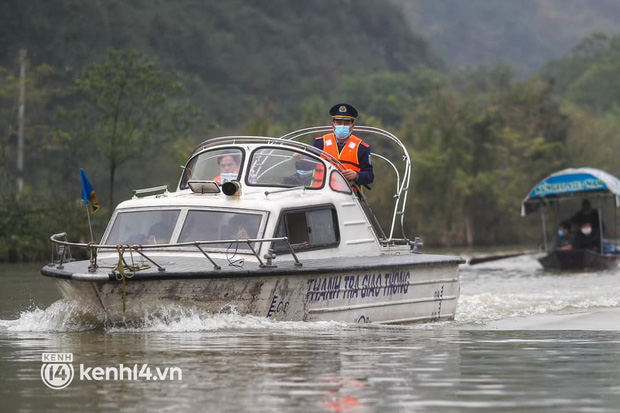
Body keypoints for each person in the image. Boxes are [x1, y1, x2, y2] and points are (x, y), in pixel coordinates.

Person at [313, 103, 374, 188]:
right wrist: (299, 160)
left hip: (349, 196)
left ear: (352, 127)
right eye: (339, 123)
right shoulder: (320, 143)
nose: (342, 126)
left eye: (346, 123)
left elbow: (369, 175)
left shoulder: (361, 148)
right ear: (333, 126)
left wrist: (356, 175)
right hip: (321, 193)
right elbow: (307, 167)